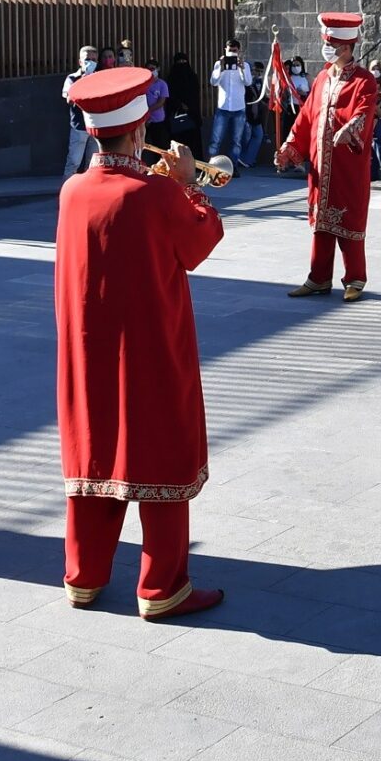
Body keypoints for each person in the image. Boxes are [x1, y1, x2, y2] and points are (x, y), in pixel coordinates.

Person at [56, 64, 226, 621]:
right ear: (136, 132)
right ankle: (161, 586)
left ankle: (84, 577)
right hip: (150, 346)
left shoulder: (72, 191)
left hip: (90, 348)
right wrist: (188, 182)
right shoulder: (155, 194)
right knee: (159, 449)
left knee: (96, 448)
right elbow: (202, 239)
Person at [275, 13, 380, 301]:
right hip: (320, 165)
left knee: (348, 220)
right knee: (320, 222)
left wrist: (351, 128)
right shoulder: (322, 77)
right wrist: (289, 147)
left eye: (330, 43)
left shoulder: (364, 80)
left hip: (348, 166)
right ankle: (318, 278)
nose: (327, 48)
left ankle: (355, 278)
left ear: (346, 47)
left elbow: (365, 110)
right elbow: (307, 117)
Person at [61, 46, 101, 178]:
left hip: (95, 126)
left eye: (93, 59)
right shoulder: (72, 78)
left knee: (93, 165)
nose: (90, 62)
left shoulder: (100, 78)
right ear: (80, 62)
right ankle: (66, 193)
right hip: (79, 127)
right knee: (74, 162)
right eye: (87, 59)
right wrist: (83, 80)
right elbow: (69, 99)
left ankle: (90, 195)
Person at [209, 47, 253, 165]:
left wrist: (242, 69)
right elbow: (213, 82)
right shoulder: (219, 64)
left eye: (235, 50)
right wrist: (221, 69)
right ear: (225, 49)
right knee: (216, 140)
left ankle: (233, 166)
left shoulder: (245, 65)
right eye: (230, 49)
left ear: (239, 51)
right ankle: (211, 166)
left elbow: (248, 82)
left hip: (238, 107)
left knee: (236, 141)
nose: (232, 52)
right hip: (223, 107)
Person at [164, 50, 203, 152]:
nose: (182, 64)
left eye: (184, 61)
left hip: (192, 116)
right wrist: (179, 104)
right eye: (179, 62)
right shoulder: (171, 78)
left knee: (194, 144)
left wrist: (190, 107)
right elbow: (170, 96)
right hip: (176, 116)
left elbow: (195, 96)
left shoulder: (192, 77)